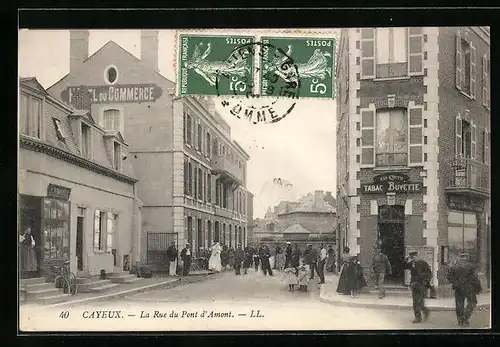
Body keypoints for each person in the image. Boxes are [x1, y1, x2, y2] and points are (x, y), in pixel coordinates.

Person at [446, 251, 482, 327]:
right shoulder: (471, 266)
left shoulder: (454, 266)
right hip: (469, 288)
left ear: (459, 257)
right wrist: (478, 288)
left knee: (459, 305)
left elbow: (449, 276)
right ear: (466, 257)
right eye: (465, 256)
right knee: (472, 302)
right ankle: (465, 318)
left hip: (458, 288)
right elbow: (475, 278)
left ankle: (460, 321)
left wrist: (456, 283)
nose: (465, 258)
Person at [405, 251, 432, 323]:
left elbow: (429, 274)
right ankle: (418, 318)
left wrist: (425, 282)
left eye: (414, 257)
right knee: (415, 302)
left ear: (417, 256)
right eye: (412, 257)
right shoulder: (411, 264)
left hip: (421, 285)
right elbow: (404, 267)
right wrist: (406, 260)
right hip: (414, 285)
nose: (413, 258)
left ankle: (425, 311)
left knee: (420, 302)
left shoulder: (423, 263)